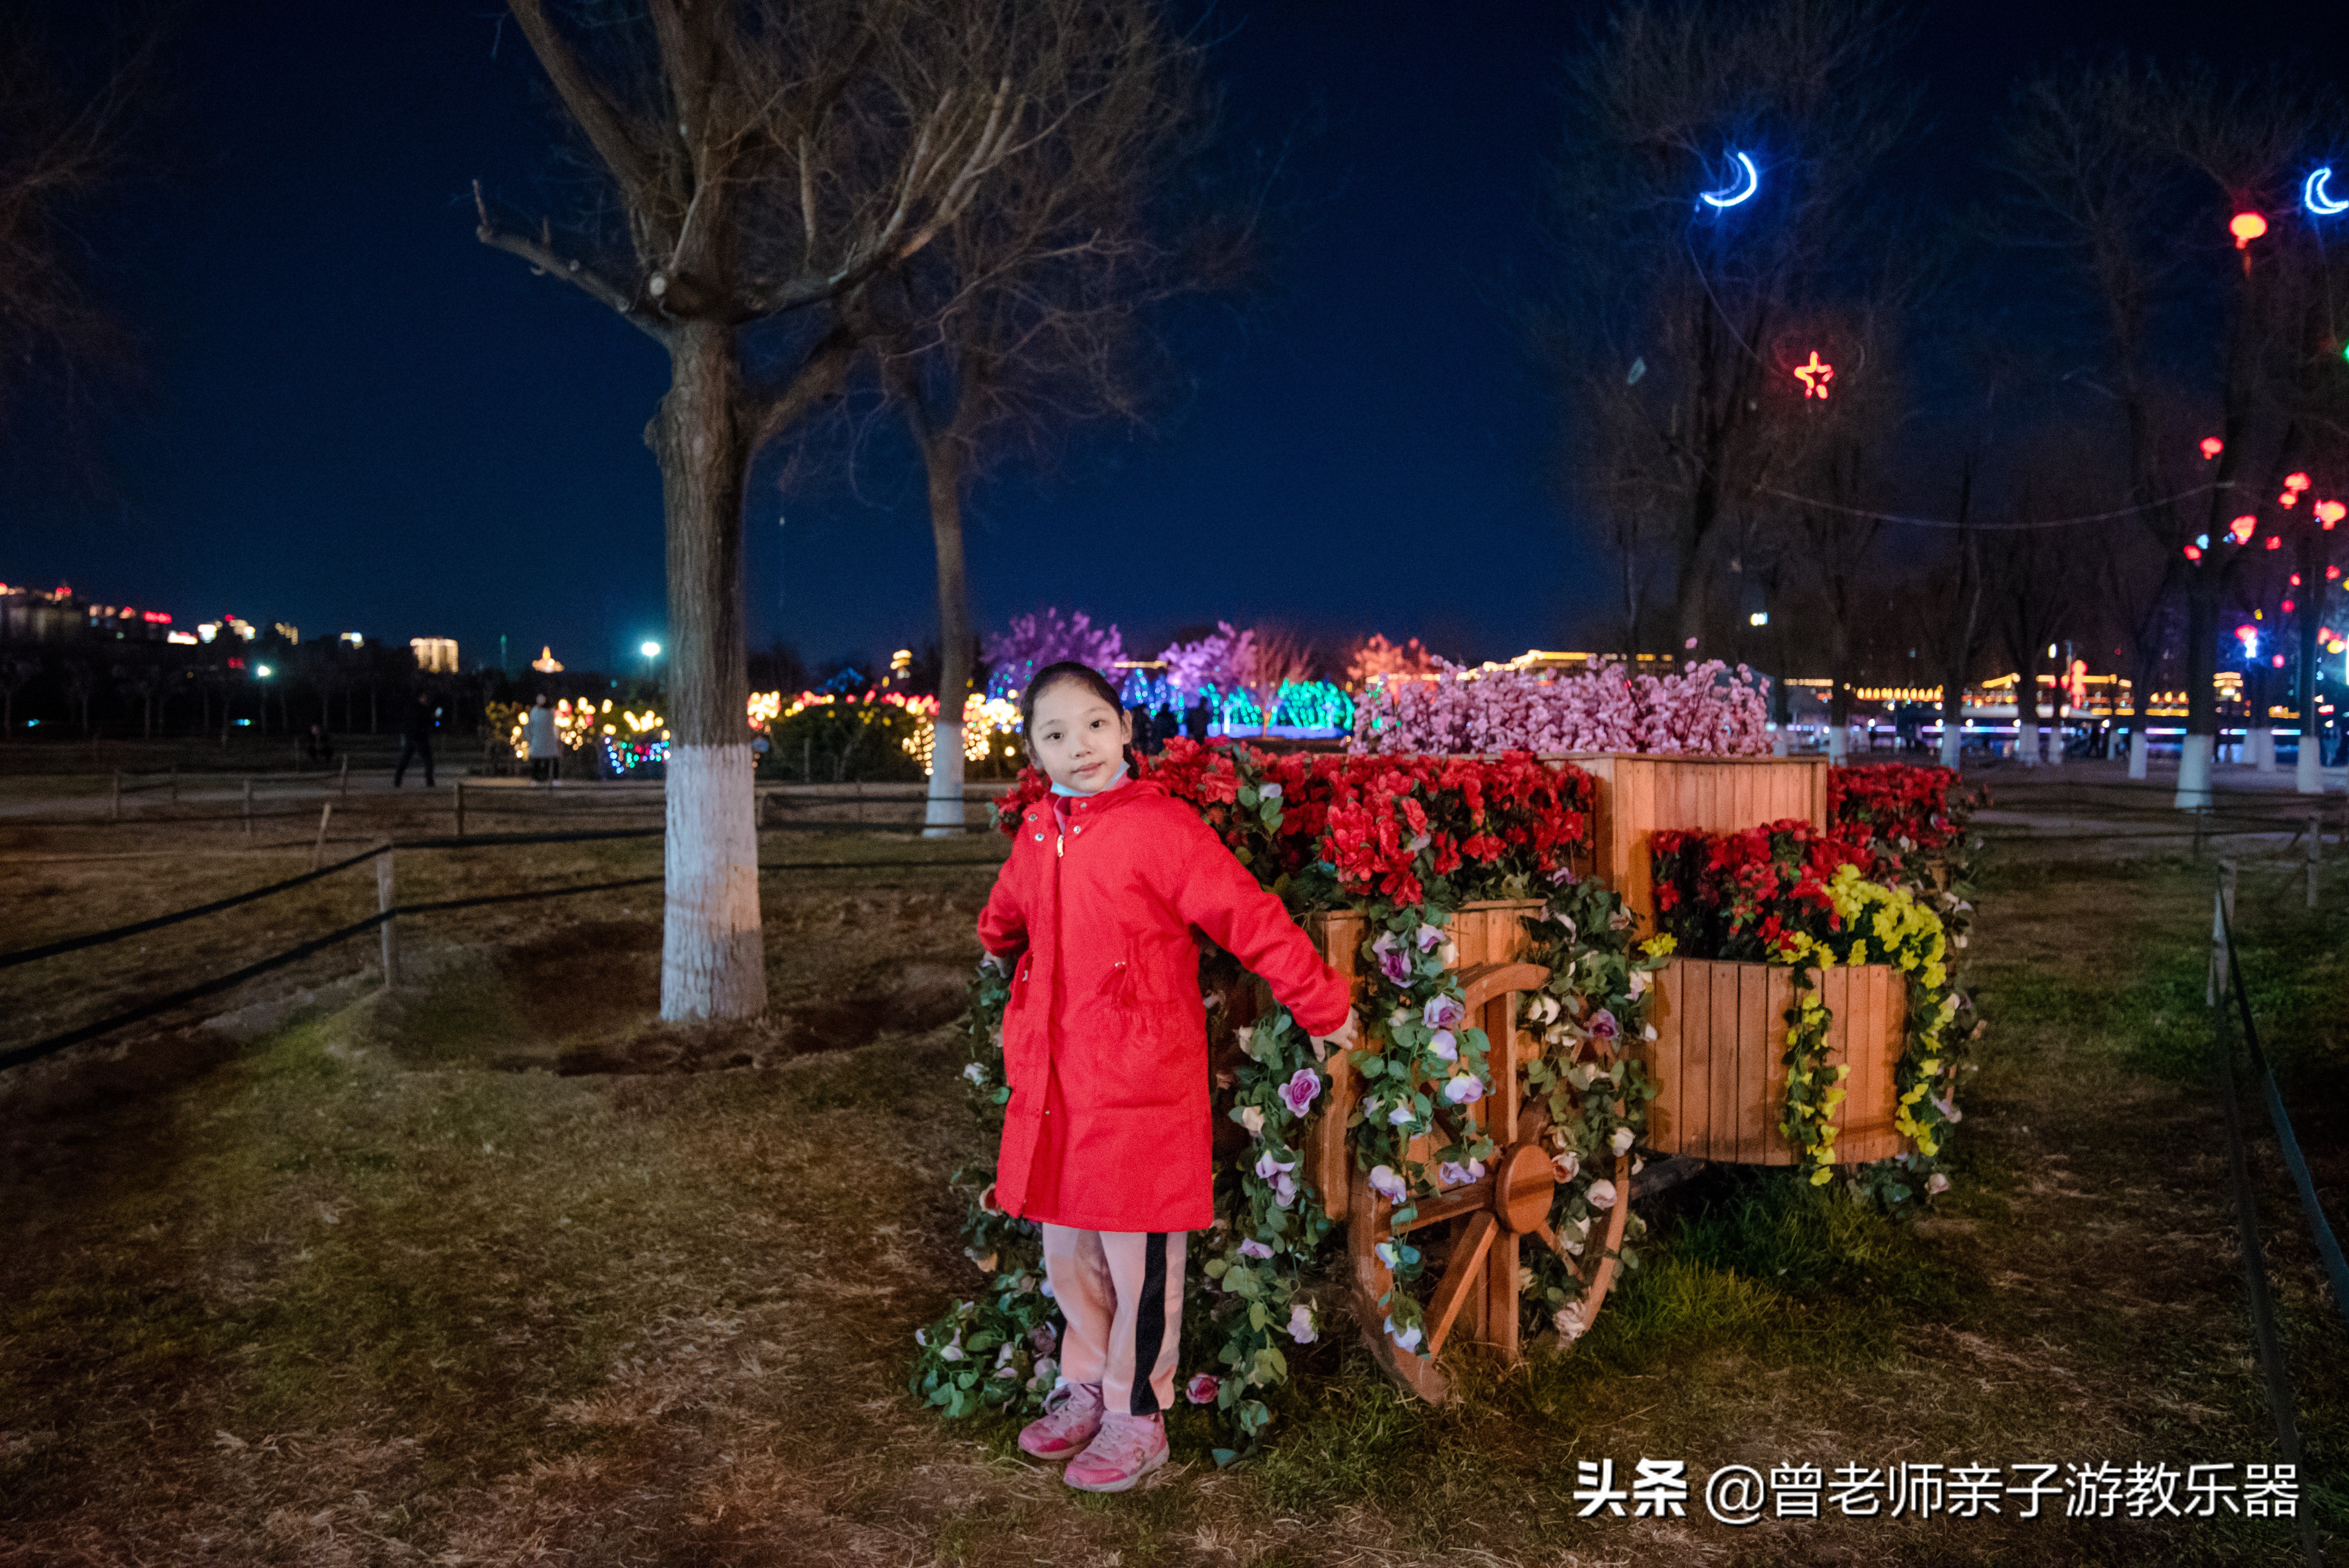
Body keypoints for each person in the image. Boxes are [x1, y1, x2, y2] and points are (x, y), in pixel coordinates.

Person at [975, 661, 1357, 1494]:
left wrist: (1320, 1003)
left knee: (1140, 1256)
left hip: (1140, 1078)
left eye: (1094, 725)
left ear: (1122, 728)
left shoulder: (1161, 828)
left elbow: (1247, 914)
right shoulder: (1039, 832)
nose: (1078, 747)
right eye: (1054, 734)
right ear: (1034, 755)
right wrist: (1003, 946)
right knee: (1066, 1248)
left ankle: (1136, 1415)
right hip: (1058, 1081)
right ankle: (1082, 1382)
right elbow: (1007, 911)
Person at [394, 691, 438, 788]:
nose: (426, 700)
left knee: (405, 760)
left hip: (411, 738)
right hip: (420, 738)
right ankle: (430, 782)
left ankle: (397, 780)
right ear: (421, 698)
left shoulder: (412, 709)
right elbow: (427, 723)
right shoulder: (422, 710)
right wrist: (436, 720)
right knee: (428, 761)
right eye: (424, 698)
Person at [526, 692, 561, 786]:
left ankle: (553, 779)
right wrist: (529, 738)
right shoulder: (534, 712)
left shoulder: (550, 712)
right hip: (538, 739)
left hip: (549, 740)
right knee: (537, 761)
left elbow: (554, 725)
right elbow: (530, 726)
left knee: (551, 760)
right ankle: (536, 779)